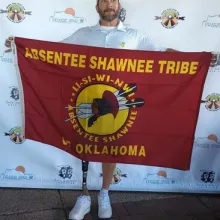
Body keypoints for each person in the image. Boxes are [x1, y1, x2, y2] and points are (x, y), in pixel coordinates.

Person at [4, 0, 217, 219]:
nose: (109, 4)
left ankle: (104, 192)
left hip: (116, 106)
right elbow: (52, 54)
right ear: (97, 7)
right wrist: (21, 48)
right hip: (87, 96)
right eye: (103, 0)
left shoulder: (134, 36)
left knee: (112, 146)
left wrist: (198, 60)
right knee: (84, 141)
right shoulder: (83, 34)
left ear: (119, 5)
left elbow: (163, 55)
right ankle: (84, 195)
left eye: (113, 0)